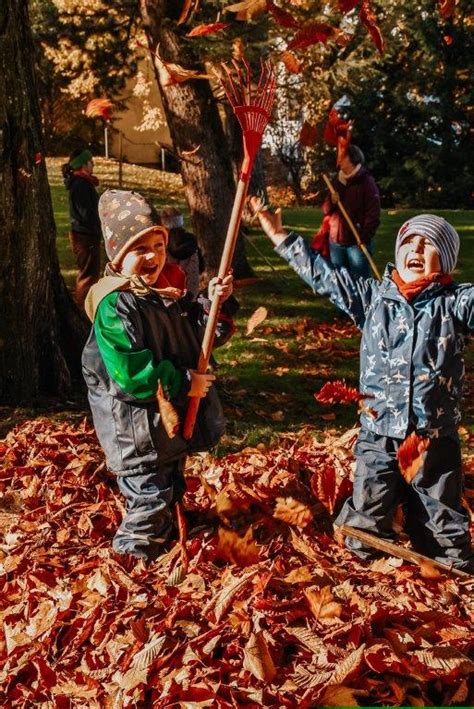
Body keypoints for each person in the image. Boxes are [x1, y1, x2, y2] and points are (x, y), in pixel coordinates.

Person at [251, 200, 474, 574]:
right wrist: (279, 235)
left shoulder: (455, 303)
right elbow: (324, 276)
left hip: (432, 439)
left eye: (429, 244)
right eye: (410, 242)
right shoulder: (372, 297)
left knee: (441, 519)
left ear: (446, 262)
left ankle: (451, 574)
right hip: (378, 433)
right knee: (368, 510)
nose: (416, 249)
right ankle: (359, 571)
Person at [82, 189, 237, 562]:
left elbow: (200, 335)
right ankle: (130, 568)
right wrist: (185, 382)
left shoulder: (164, 292)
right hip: (135, 429)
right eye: (140, 249)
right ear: (118, 257)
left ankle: (165, 544)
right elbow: (131, 372)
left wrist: (215, 303)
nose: (153, 256)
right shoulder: (115, 305)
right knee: (149, 499)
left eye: (158, 244)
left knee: (169, 487)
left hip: (161, 428)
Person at [322, 144, 380, 278]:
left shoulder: (366, 182)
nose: (339, 160)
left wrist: (364, 237)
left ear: (352, 159)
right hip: (336, 242)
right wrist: (332, 200)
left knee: (361, 283)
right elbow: (325, 210)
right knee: (341, 282)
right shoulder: (337, 181)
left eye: (343, 157)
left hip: (357, 243)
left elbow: (373, 213)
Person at [62, 148, 102, 308]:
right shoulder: (80, 185)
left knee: (90, 273)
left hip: (87, 234)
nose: (93, 164)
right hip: (85, 236)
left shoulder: (83, 183)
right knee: (88, 275)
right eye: (90, 161)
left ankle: (86, 305)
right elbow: (86, 213)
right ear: (83, 164)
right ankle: (84, 307)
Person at [159, 206, 205, 300]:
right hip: (190, 293)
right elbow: (201, 267)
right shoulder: (192, 242)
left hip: (167, 294)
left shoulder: (161, 244)